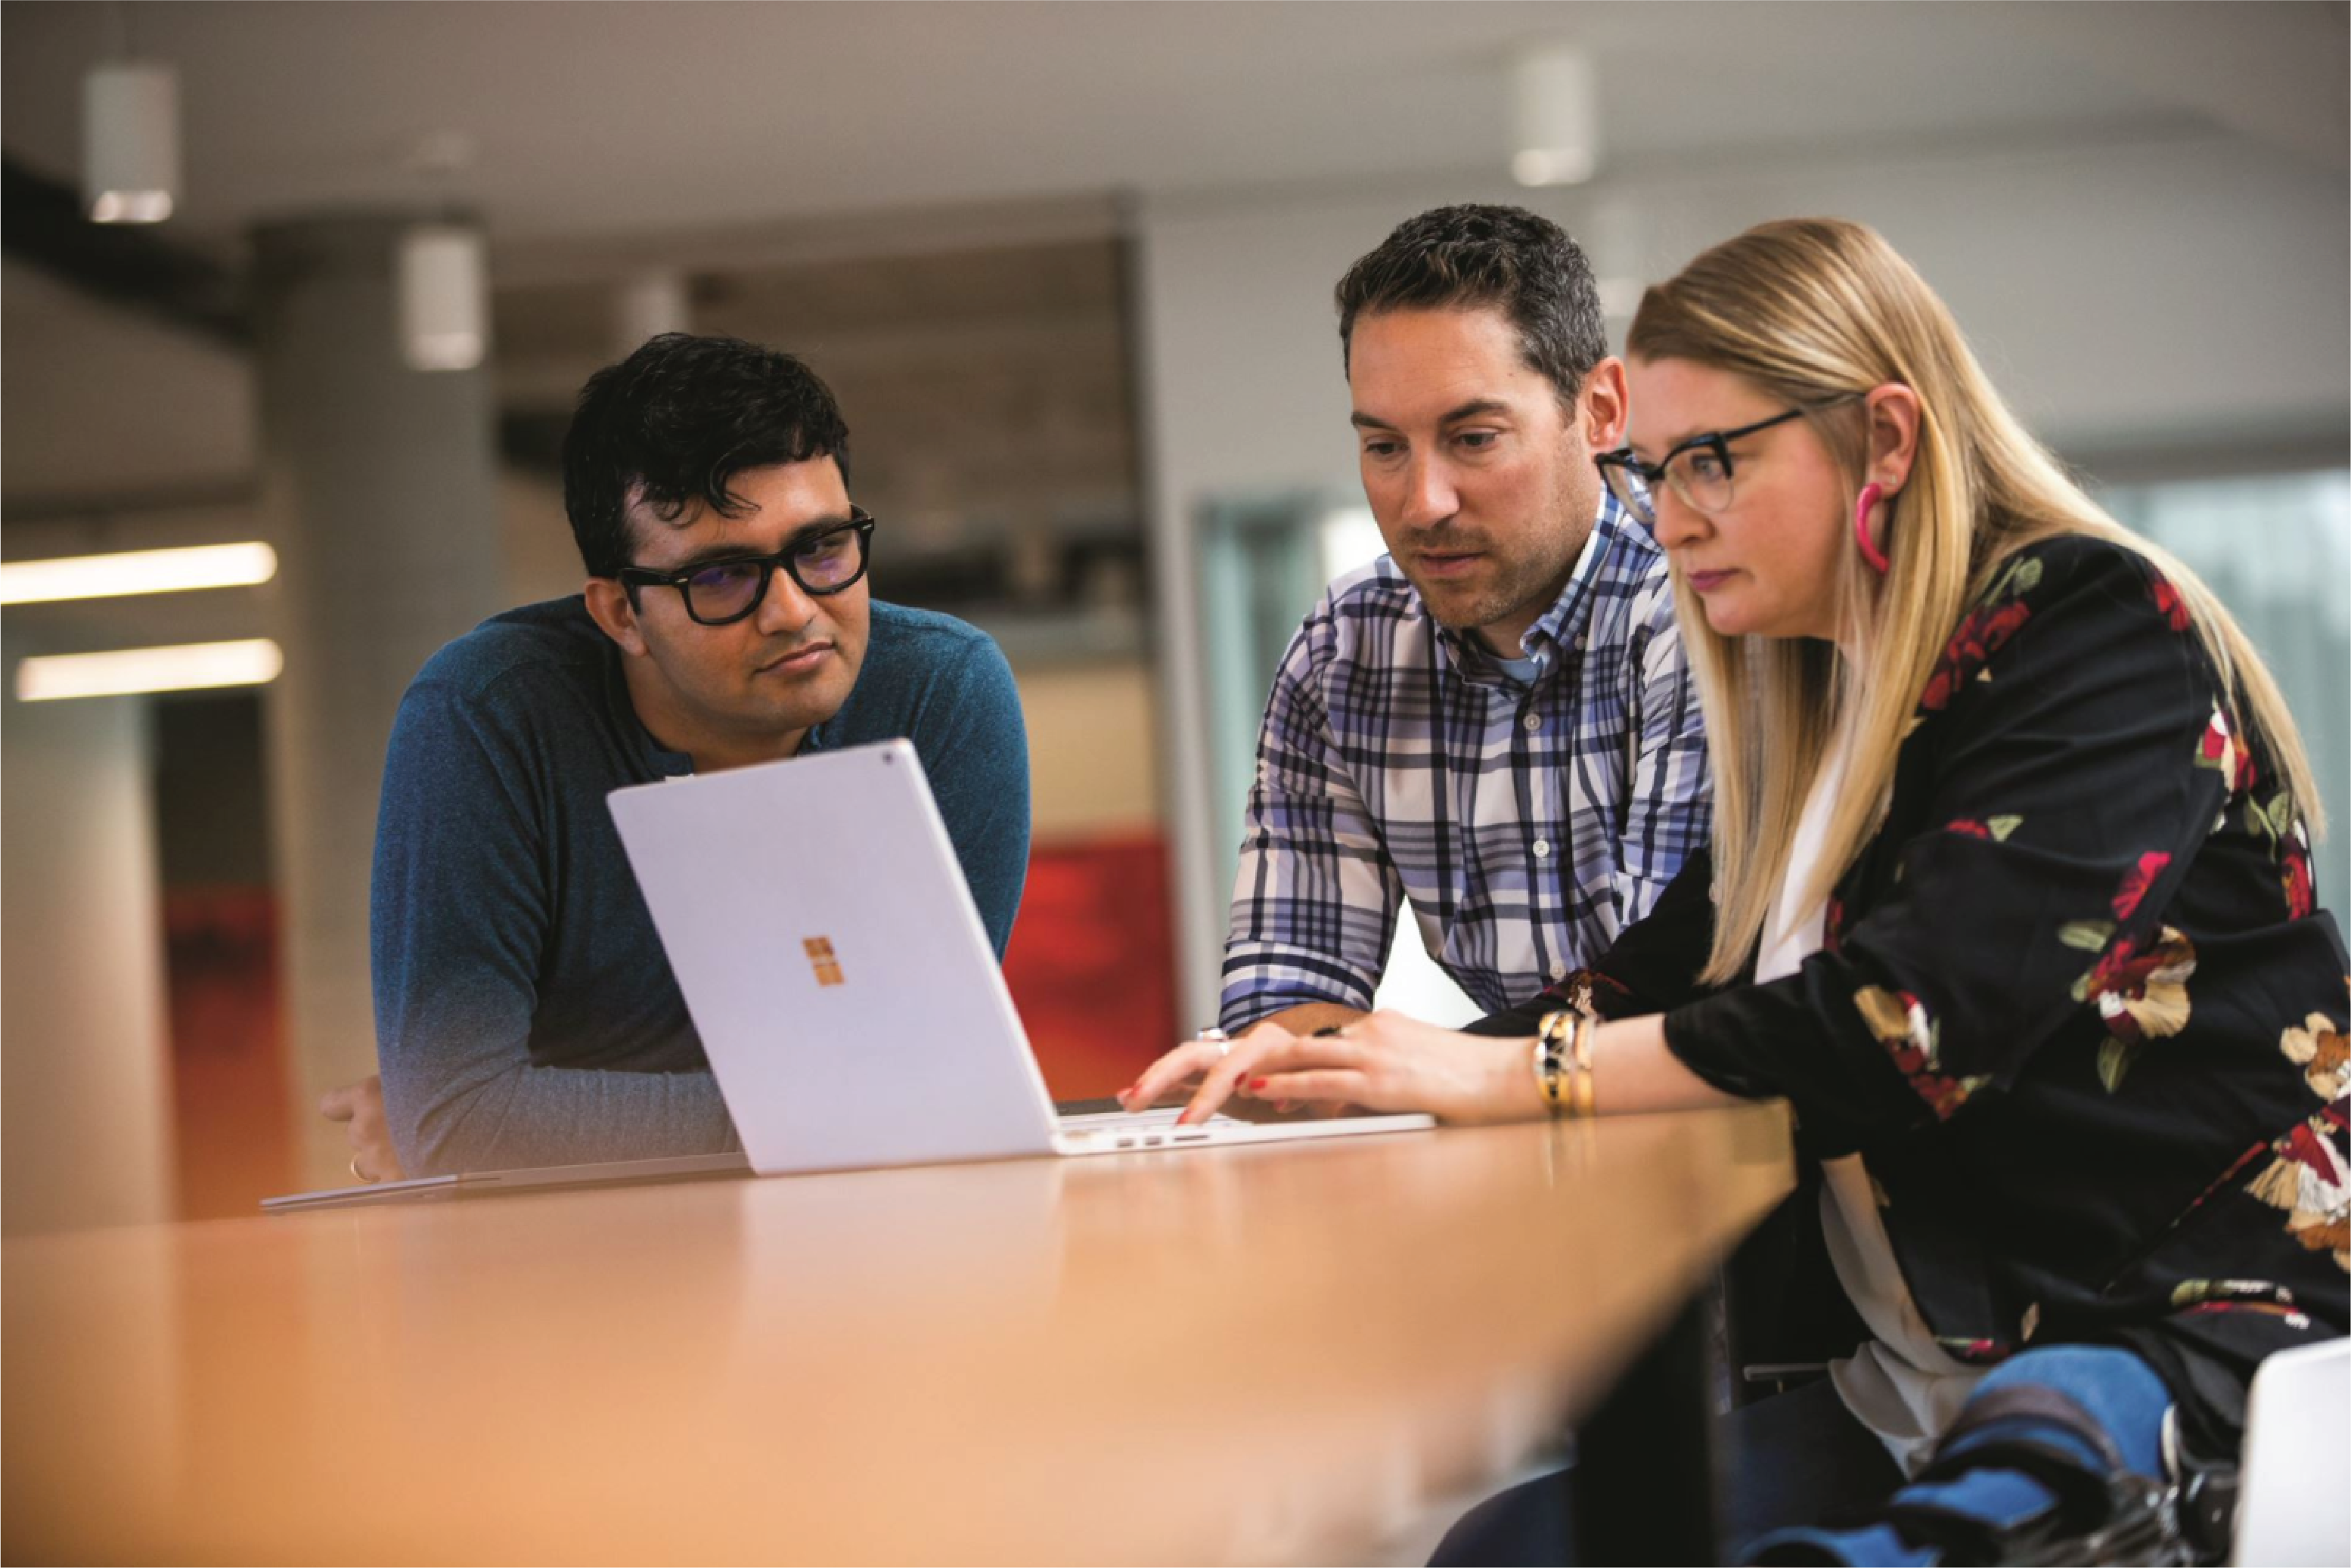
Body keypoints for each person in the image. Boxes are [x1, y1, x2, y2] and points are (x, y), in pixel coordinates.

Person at [1129, 218, 2345, 1563]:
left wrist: (1501, 1074)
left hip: (2178, 1325)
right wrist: (1343, 1074)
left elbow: (1900, 1023)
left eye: (1713, 460)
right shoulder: (1819, 695)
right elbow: (1676, 967)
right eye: (1656, 469)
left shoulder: (2091, 621)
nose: (1672, 512)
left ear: (1883, 439)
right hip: (1909, 1386)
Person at [329, 333, 1030, 1181]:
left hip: (855, 1251)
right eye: (724, 578)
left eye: (823, 547)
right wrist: (835, 1109)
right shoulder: (488, 715)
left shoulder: (941, 695)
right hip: (559, 1272)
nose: (793, 609)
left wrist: (536, 1121)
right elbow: (459, 1120)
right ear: (621, 613)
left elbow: (927, 1078)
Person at [1217, 204, 1710, 1040]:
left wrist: (1417, 1065)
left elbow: (1667, 996)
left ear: (1598, 411)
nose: (1422, 502)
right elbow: (1280, 1002)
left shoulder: (1701, 608)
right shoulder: (1346, 650)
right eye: (1383, 448)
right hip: (1517, 1142)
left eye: (1473, 438)